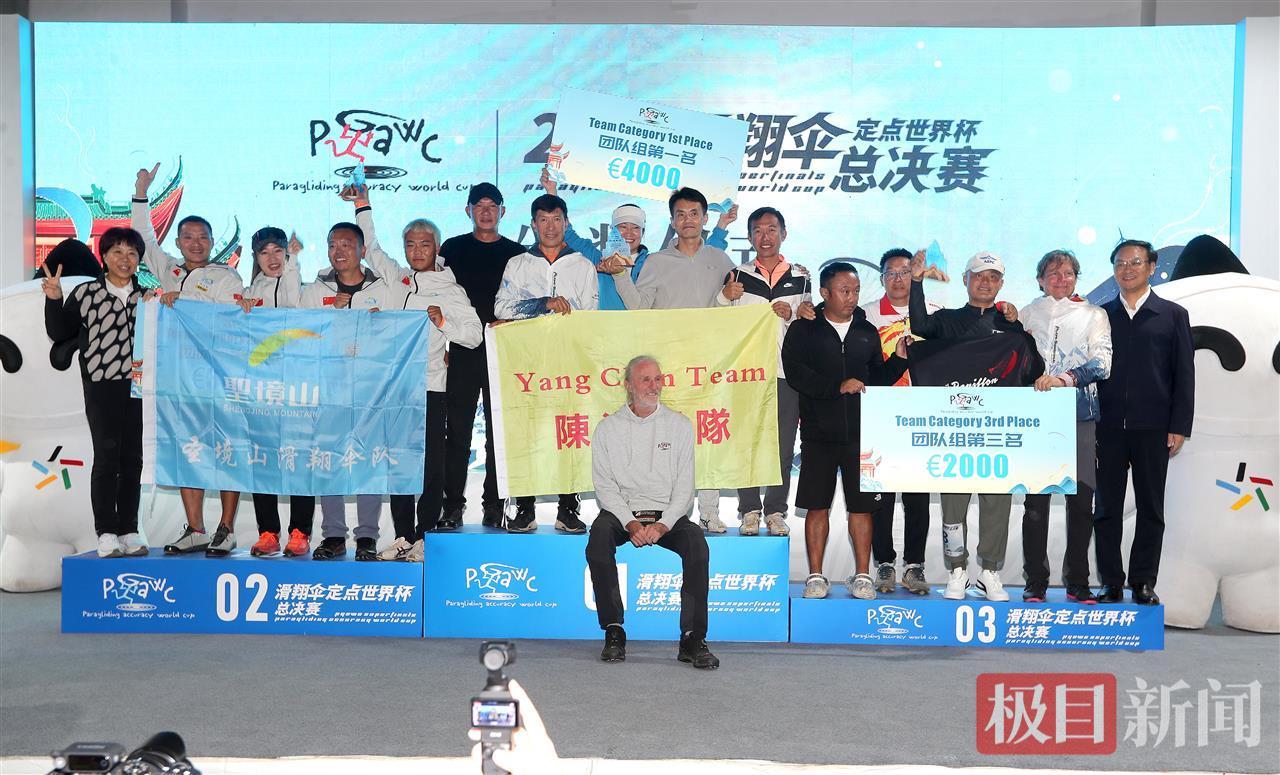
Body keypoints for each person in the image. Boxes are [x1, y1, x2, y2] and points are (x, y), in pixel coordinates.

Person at [343, 187, 483, 560]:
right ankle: (404, 535)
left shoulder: (450, 289)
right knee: (398, 465)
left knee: (431, 466)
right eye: (410, 245)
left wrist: (444, 321)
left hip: (431, 389)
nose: (417, 251)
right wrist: (362, 205)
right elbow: (372, 248)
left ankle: (426, 534)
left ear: (436, 247)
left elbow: (474, 335)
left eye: (424, 244)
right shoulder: (397, 280)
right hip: (394, 391)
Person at [908, 250, 1045, 602]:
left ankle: (989, 573)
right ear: (965, 280)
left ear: (1001, 283)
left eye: (993, 277)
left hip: (995, 434)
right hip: (955, 434)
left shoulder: (1010, 325)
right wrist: (917, 282)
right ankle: (957, 570)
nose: (986, 282)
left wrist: (1016, 327)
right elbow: (920, 327)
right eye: (979, 276)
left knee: (997, 502)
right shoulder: (948, 321)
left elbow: (1033, 368)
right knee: (953, 506)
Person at [603, 187, 736, 533]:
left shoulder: (722, 261)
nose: (687, 220)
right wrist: (620, 275)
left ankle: (709, 510)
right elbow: (638, 307)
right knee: (669, 440)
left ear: (705, 218)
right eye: (680, 214)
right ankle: (664, 512)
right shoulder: (657, 261)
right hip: (669, 368)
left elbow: (736, 311)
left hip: (708, 367)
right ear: (672, 221)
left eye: (694, 213)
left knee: (708, 436)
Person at [133, 164, 245, 557]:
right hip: (178, 380)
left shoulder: (227, 277)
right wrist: (141, 192)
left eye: (202, 237)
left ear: (212, 242)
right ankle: (196, 528)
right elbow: (144, 238)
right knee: (187, 451)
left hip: (219, 379)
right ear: (179, 242)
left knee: (226, 451)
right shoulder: (170, 270)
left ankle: (226, 529)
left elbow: (229, 320)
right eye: (188, 237)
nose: (195, 243)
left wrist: (186, 301)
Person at [783, 262, 906, 600]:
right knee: (817, 507)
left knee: (861, 509)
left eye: (855, 291)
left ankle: (862, 576)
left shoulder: (866, 331)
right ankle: (815, 576)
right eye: (844, 291)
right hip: (818, 435)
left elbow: (876, 378)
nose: (851, 298)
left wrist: (898, 360)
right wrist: (836, 387)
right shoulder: (803, 329)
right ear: (825, 293)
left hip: (861, 437)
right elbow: (796, 373)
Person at [585, 355, 718, 669]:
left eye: (658, 379)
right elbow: (605, 487)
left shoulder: (679, 425)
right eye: (645, 379)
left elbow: (685, 488)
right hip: (622, 512)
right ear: (628, 385)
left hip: (667, 512)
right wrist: (630, 522)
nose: (653, 385)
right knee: (598, 537)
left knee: (696, 543)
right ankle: (614, 630)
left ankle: (692, 638)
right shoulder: (607, 428)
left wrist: (663, 525)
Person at [1094, 239, 1194, 606]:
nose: (1127, 269)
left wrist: (1179, 425)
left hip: (1154, 427)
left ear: (1151, 267)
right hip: (1107, 427)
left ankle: (1143, 582)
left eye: (1135, 262)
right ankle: (1110, 582)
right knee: (1106, 509)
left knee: (1151, 508)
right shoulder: (1101, 316)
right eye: (1120, 263)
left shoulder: (1172, 314)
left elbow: (1184, 373)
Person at [42, 227, 153, 558]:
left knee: (133, 460)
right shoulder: (87, 293)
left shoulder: (147, 298)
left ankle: (129, 529)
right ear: (103, 256)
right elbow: (59, 332)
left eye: (132, 253)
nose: (125, 259)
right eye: (117, 252)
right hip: (102, 386)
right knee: (106, 460)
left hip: (138, 388)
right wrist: (53, 298)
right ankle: (106, 532)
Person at [493, 193, 599, 533]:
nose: (550, 227)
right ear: (533, 224)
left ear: (566, 223)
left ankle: (568, 508)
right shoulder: (518, 263)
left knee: (570, 434)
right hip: (527, 364)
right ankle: (525, 508)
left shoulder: (582, 265)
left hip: (569, 365)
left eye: (556, 220)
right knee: (529, 433)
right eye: (543, 220)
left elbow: (591, 317)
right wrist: (543, 304)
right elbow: (501, 307)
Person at [300, 221, 400, 561]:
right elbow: (301, 337)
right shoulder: (314, 291)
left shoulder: (384, 289)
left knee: (369, 460)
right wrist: (332, 316)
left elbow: (396, 335)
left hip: (373, 389)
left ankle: (367, 536)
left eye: (346, 245)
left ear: (361, 250)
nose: (338, 251)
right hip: (329, 388)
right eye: (333, 245)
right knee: (329, 460)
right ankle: (333, 536)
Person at [1020, 249, 1111, 604]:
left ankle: (1078, 581)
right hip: (1036, 418)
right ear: (1040, 279)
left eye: (1068, 273)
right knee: (1035, 505)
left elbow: (1103, 364)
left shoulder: (1094, 314)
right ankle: (1035, 581)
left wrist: (1063, 379)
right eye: (1053, 273)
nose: (1061, 279)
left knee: (1081, 502)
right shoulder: (1027, 313)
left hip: (1080, 415)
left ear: (1076, 278)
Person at [714, 206, 810, 537]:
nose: (765, 236)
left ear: (784, 234)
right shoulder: (736, 276)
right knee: (747, 444)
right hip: (747, 375)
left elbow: (808, 325)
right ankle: (749, 510)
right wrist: (723, 298)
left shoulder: (801, 276)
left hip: (786, 373)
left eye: (771, 229)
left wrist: (792, 315)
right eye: (757, 230)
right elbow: (717, 324)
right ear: (749, 236)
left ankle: (776, 511)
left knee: (782, 446)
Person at [440, 183, 526, 529]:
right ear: (468, 210)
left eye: (493, 205)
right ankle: (452, 506)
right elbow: (437, 295)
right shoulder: (452, 248)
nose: (486, 211)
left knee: (498, 434)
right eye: (480, 205)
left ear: (503, 211)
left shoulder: (518, 253)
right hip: (461, 350)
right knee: (457, 434)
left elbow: (527, 302)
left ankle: (494, 504)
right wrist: (443, 343)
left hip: (502, 351)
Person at [860, 248, 943, 594]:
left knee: (917, 496)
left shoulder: (934, 313)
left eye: (905, 272)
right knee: (881, 495)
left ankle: (914, 565)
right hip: (880, 414)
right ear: (882, 278)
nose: (898, 279)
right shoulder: (866, 314)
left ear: (915, 275)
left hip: (922, 416)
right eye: (891, 273)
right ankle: (884, 563)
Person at [540, 168, 733, 310]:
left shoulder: (651, 261)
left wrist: (721, 227)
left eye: (635, 228)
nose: (629, 233)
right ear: (612, 231)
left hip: (643, 337)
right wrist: (552, 193)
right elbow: (568, 235)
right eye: (622, 227)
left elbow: (698, 255)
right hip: (606, 335)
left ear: (643, 232)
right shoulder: (599, 259)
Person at [236, 227, 316, 558]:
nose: (272, 258)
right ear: (255, 258)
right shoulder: (248, 294)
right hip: (262, 390)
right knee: (262, 459)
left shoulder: (303, 289)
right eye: (264, 252)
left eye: (278, 251)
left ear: (287, 253)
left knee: (300, 459)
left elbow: (293, 302)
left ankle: (300, 531)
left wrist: (294, 263)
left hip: (298, 389)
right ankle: (268, 532)